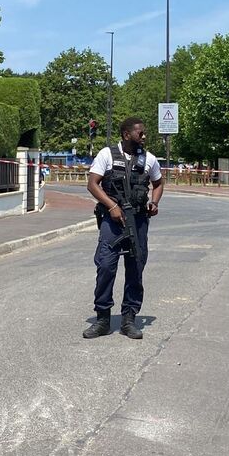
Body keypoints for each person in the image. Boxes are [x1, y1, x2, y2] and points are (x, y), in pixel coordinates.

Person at [82, 117, 164, 340]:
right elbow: (92, 183)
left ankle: (129, 318)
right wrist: (111, 206)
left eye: (144, 133)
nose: (144, 137)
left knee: (135, 268)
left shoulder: (149, 159)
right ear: (127, 135)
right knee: (106, 266)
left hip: (137, 220)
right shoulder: (107, 155)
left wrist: (154, 203)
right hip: (112, 221)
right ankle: (102, 319)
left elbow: (158, 183)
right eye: (141, 133)